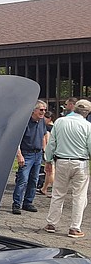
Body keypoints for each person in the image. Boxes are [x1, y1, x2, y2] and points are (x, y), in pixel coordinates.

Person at [43, 99, 91, 238]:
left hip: (62, 161)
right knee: (79, 196)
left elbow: (52, 143)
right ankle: (75, 227)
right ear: (87, 112)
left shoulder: (60, 122)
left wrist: (48, 160)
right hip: (80, 162)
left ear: (74, 108)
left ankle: (51, 223)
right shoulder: (88, 126)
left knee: (58, 193)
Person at [12, 100, 48, 215]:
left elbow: (43, 135)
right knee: (23, 179)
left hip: (38, 154)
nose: (43, 112)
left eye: (45, 110)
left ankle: (28, 202)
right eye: (41, 110)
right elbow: (16, 140)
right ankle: (16, 203)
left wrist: (44, 151)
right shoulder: (25, 123)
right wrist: (19, 155)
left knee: (34, 180)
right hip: (27, 153)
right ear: (34, 110)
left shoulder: (41, 122)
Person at [38, 111, 55, 197]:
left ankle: (54, 190)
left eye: (46, 117)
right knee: (49, 171)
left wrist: (45, 149)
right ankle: (44, 188)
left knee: (50, 171)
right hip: (54, 150)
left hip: (49, 150)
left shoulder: (47, 127)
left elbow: (47, 139)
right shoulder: (55, 127)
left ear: (50, 118)